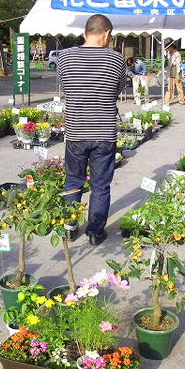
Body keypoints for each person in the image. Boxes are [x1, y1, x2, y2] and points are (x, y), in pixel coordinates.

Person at [57, 14, 126, 246]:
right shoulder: (117, 60)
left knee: (73, 180)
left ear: (86, 31)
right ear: (106, 33)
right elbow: (118, 89)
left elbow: (65, 85)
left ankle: (70, 226)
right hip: (104, 132)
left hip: (76, 131)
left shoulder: (64, 58)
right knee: (100, 185)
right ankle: (95, 232)